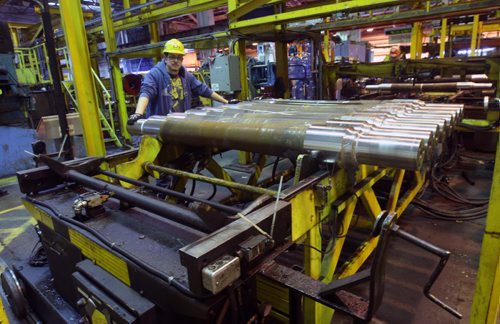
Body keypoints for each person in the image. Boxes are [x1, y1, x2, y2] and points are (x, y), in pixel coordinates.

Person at [127, 39, 228, 125]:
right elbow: (146, 92)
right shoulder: (154, 75)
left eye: (179, 58)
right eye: (172, 57)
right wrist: (138, 113)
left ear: (182, 59)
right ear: (165, 58)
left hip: (180, 126)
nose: (176, 61)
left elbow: (203, 89)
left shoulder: (186, 76)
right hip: (160, 128)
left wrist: (226, 102)